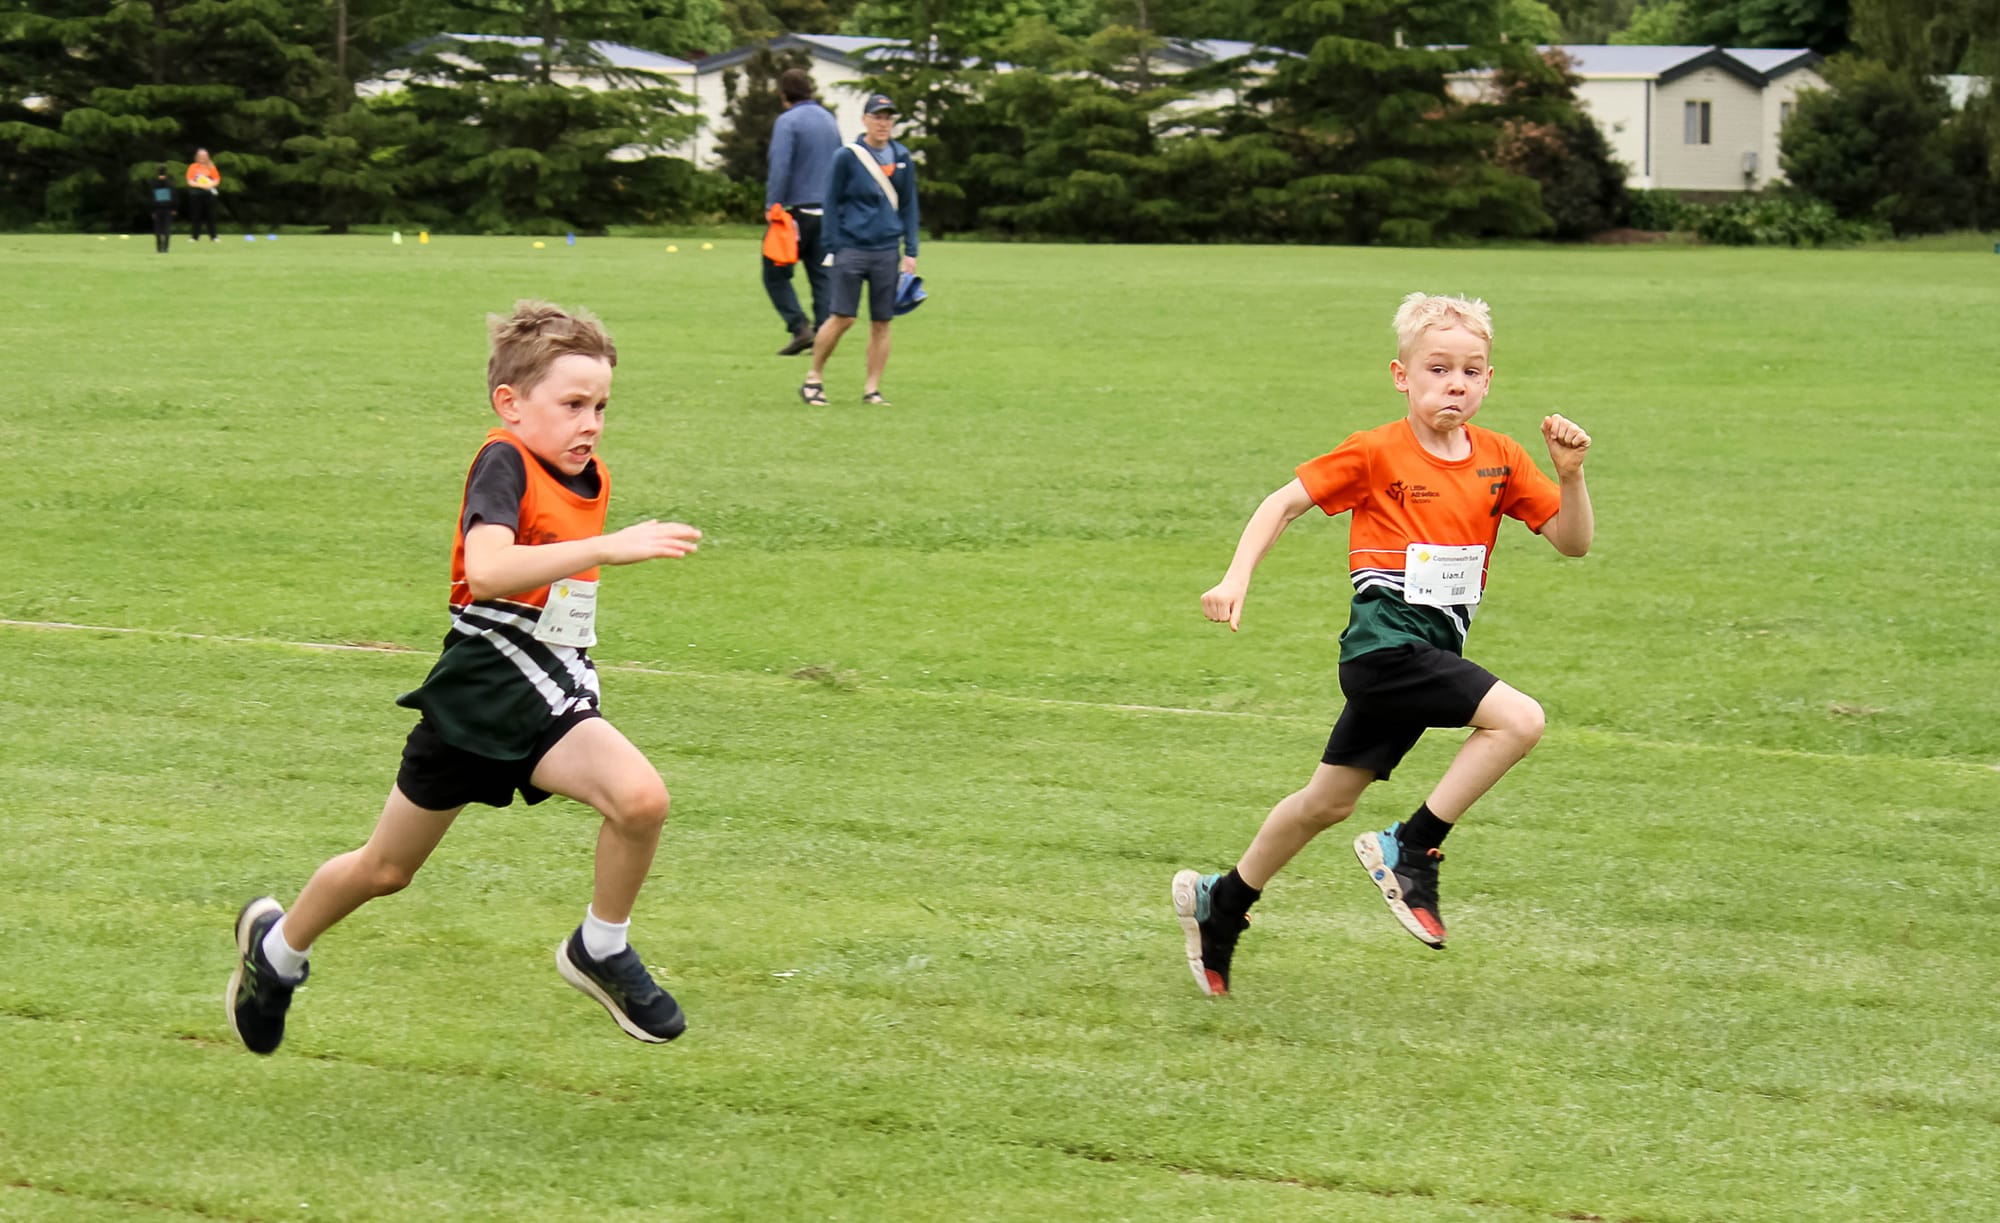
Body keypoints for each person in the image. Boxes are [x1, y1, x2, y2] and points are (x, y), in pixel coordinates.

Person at [227, 300, 705, 1053]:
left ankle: (601, 946)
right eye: (573, 404)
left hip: (548, 681)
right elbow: (486, 570)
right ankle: (277, 951)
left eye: (602, 406)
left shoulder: (589, 476)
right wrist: (610, 548)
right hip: (484, 687)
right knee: (386, 868)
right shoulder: (504, 460)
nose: (592, 423)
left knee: (641, 799)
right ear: (510, 405)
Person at [1172, 292, 1594, 996]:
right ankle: (1411, 846)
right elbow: (1283, 501)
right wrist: (1235, 576)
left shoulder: (1502, 459)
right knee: (1520, 719)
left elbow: (1573, 543)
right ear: (1403, 376)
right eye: (1437, 368)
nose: (1454, 382)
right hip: (1383, 650)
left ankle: (1224, 901)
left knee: (1326, 803)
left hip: (1429, 660)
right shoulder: (1376, 451)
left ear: (1490, 380)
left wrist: (1572, 475)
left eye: (1471, 369)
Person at [799, 93, 919, 409]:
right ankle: (814, 377)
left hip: (886, 250)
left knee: (882, 322)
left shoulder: (903, 157)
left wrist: (912, 249)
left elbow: (909, 207)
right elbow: (831, 201)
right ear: (865, 119)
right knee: (843, 317)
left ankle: (872, 389)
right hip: (851, 248)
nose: (883, 123)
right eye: (877, 116)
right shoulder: (847, 157)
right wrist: (833, 246)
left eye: (888, 117)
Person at [764, 67, 842, 357]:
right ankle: (825, 334)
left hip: (796, 213)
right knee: (822, 274)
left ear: (784, 94)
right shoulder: (828, 119)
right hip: (828, 211)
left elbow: (780, 165)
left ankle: (799, 326)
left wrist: (772, 204)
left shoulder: (788, 121)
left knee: (774, 273)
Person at [185, 149, 221, 242]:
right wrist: (202, 185)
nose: (203, 158)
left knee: (211, 216)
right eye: (201, 156)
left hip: (209, 195)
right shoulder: (193, 167)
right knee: (196, 216)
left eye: (204, 156)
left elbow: (216, 179)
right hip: (196, 194)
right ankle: (194, 237)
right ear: (197, 157)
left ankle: (214, 237)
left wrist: (210, 185)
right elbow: (190, 181)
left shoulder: (211, 167)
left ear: (207, 157)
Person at [148, 166, 176, 253]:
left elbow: (152, 198)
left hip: (157, 209)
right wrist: (174, 208)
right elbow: (174, 197)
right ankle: (166, 248)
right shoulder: (170, 184)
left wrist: (152, 210)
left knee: (158, 229)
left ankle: (159, 248)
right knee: (167, 229)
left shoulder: (154, 184)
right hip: (168, 209)